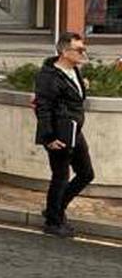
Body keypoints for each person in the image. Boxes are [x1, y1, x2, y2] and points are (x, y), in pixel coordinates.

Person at [34, 32, 94, 238]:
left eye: (83, 48)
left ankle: (55, 209)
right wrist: (49, 138)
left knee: (86, 174)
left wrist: (81, 87)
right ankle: (53, 222)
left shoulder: (74, 70)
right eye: (78, 49)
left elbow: (73, 97)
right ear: (63, 51)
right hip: (59, 134)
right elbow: (42, 108)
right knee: (60, 177)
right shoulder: (49, 76)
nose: (82, 52)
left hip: (74, 131)